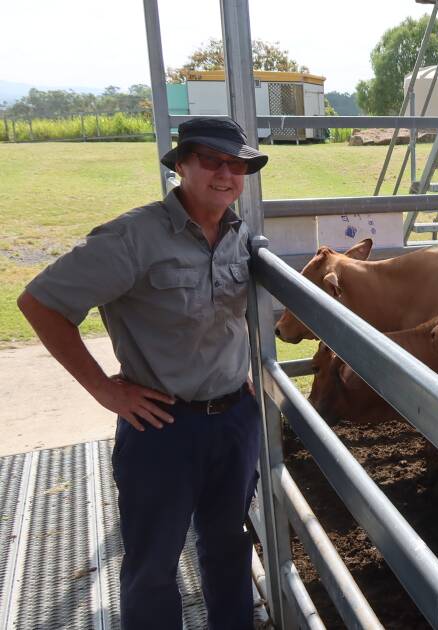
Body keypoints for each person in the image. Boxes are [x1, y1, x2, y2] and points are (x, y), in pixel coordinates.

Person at [17, 118, 268, 629]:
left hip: (233, 418)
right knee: (153, 561)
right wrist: (105, 390)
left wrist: (234, 373)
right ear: (181, 166)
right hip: (162, 426)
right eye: (212, 161)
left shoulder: (240, 237)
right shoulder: (133, 236)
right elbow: (41, 303)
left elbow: (229, 317)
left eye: (237, 164)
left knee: (229, 542)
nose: (226, 173)